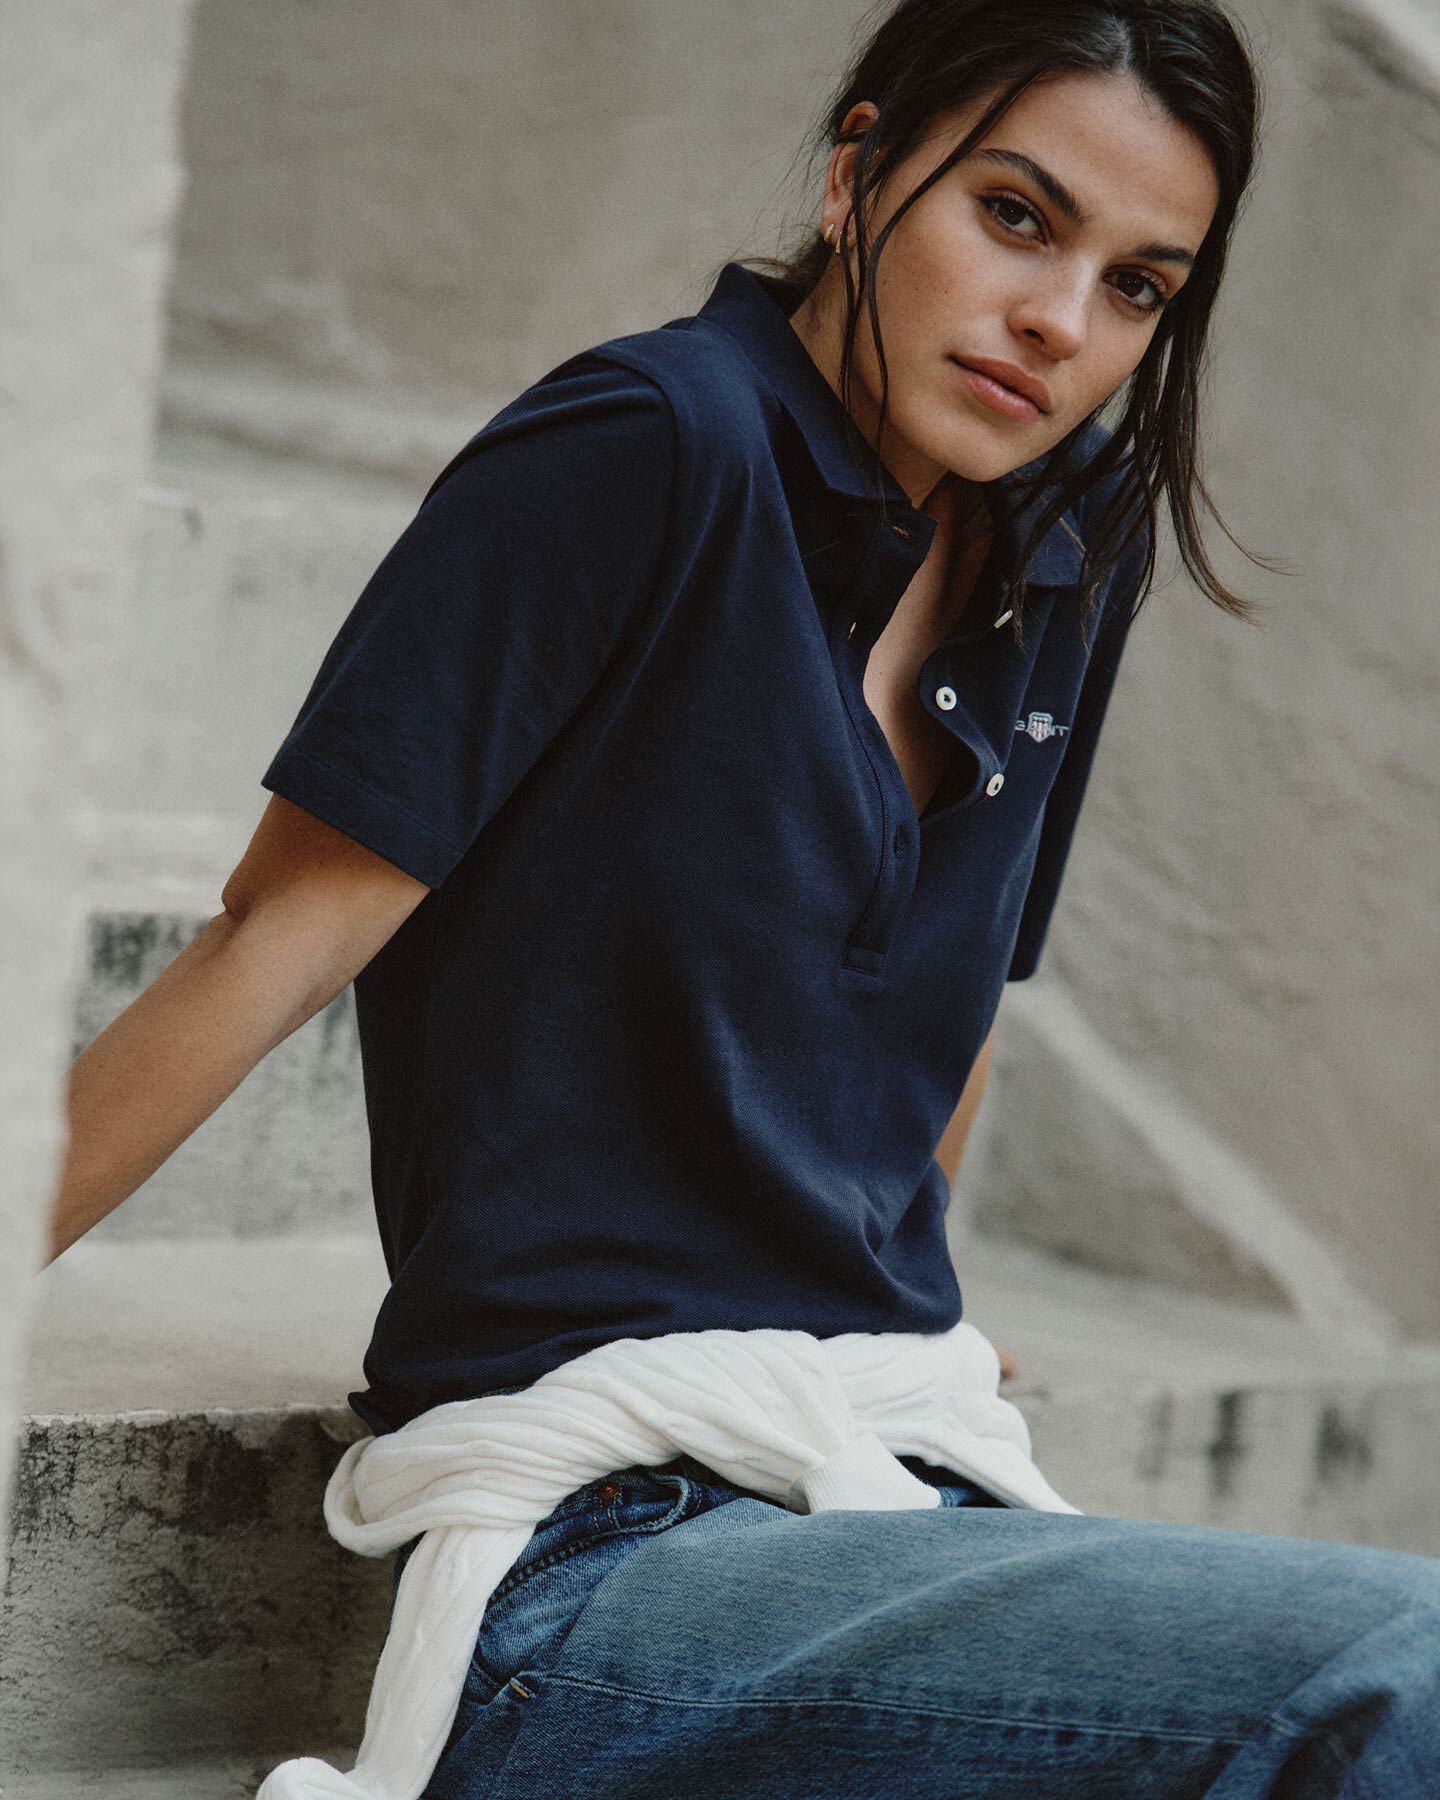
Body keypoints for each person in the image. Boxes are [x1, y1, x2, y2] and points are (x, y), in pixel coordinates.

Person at [45, 1, 1440, 1795]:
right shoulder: (646, 447)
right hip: (609, 1541)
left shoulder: (1064, 552)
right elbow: (276, 937)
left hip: (889, 1482)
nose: (1061, 324)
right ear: (861, 171)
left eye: (1140, 286)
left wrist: (904, 1303)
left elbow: (960, 996)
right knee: (1399, 1680)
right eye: (1017, 215)